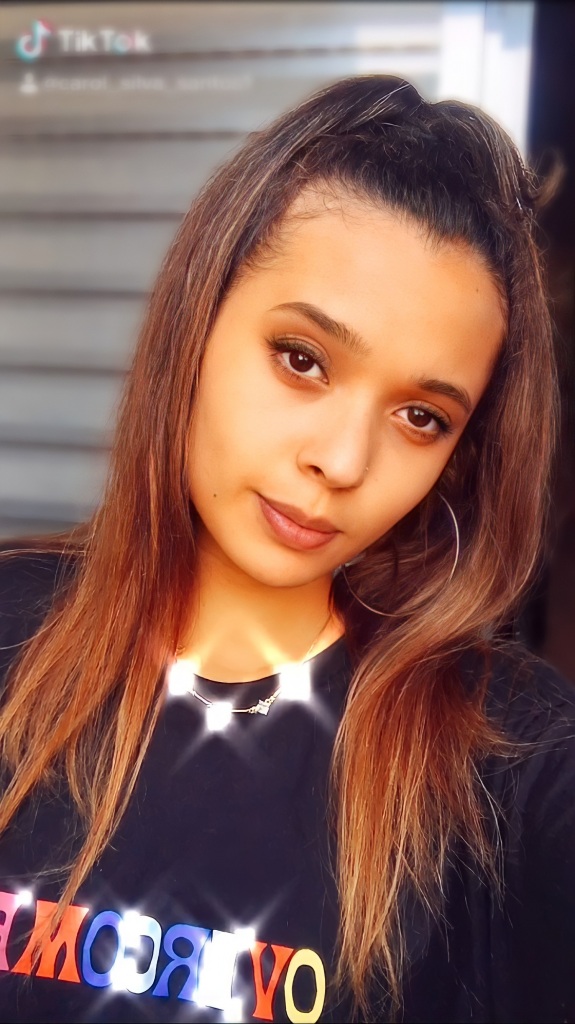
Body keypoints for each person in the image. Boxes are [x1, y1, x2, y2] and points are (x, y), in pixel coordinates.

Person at [0, 75, 573, 1024]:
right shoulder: (12, 631)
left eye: (420, 417)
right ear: (196, 323)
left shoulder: (504, 755)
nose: (341, 463)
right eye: (302, 359)